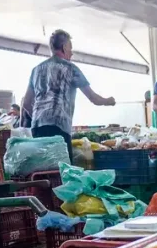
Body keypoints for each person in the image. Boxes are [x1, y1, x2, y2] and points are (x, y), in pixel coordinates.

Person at [22, 29, 114, 162]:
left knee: (44, 168)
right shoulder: (71, 68)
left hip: (37, 127)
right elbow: (93, 98)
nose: (71, 52)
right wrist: (108, 101)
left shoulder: (36, 70)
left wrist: (40, 117)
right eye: (70, 48)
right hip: (58, 126)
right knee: (63, 169)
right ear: (64, 47)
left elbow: (26, 103)